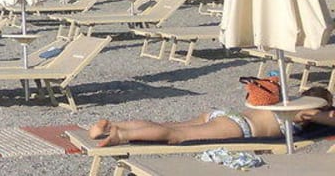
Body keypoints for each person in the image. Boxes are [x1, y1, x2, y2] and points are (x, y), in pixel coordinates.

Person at [88, 86, 335, 146]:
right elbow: (328, 119)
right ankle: (121, 134)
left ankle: (114, 124)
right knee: (176, 136)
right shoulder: (305, 112)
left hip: (226, 114)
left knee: (169, 124)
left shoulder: (286, 102)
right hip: (240, 127)